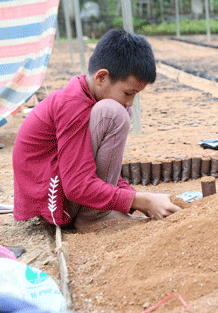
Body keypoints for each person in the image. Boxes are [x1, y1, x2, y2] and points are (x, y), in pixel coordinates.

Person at [13, 28, 181, 230]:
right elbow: (76, 185)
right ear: (101, 77)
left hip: (60, 186)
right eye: (128, 92)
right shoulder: (72, 105)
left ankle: (97, 211)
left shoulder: (84, 95)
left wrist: (132, 199)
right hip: (52, 198)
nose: (130, 102)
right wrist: (140, 200)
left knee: (119, 112)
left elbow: (95, 167)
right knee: (114, 113)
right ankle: (93, 216)